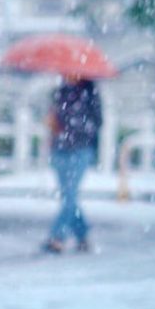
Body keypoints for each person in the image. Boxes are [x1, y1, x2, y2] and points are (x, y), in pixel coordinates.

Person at [43, 75, 102, 253]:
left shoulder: (90, 94)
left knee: (70, 195)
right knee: (68, 196)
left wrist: (74, 127)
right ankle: (82, 235)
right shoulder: (60, 92)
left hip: (80, 150)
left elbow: (97, 122)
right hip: (59, 149)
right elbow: (54, 118)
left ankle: (57, 236)